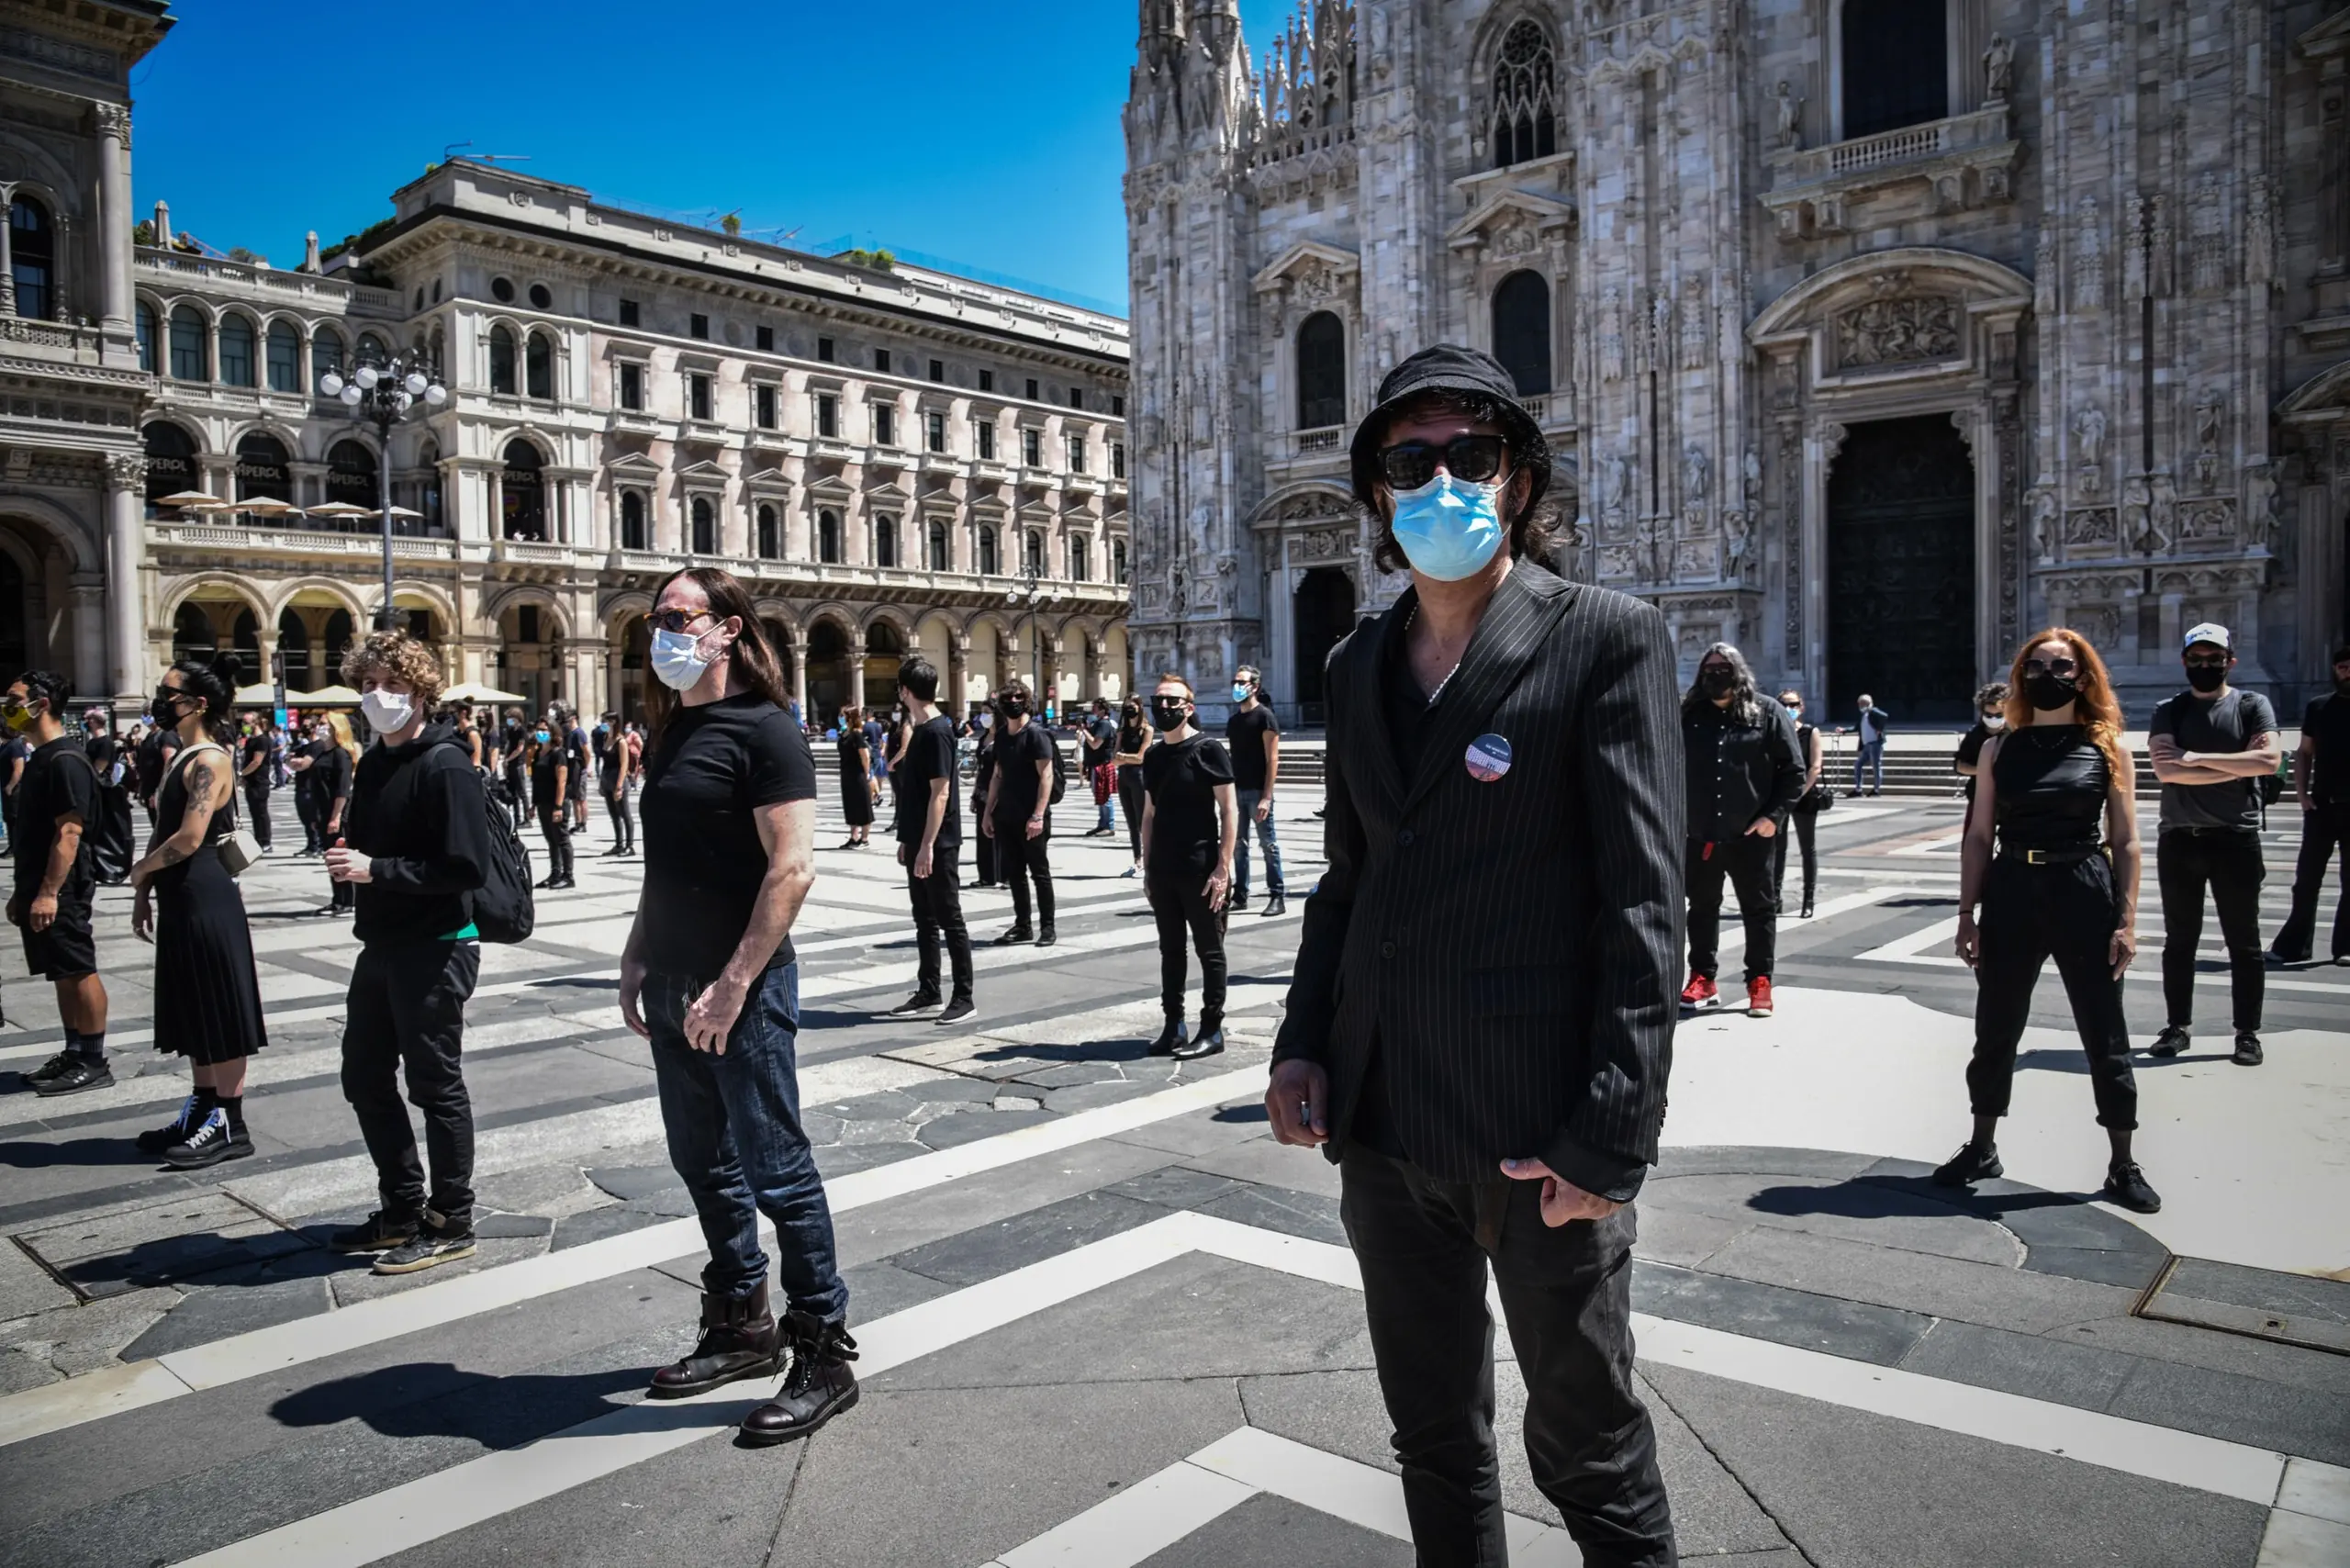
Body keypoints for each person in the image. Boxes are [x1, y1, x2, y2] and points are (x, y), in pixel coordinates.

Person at [1267, 344, 1681, 1566]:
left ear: (1519, 476)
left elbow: (1645, 905)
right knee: (1433, 1436)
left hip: (1536, 1127)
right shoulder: (1355, 665)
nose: (1442, 479)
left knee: (1588, 1444)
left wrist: (1611, 1133)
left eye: (1471, 456)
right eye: (1411, 461)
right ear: (1380, 496)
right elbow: (1351, 882)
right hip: (1387, 1123)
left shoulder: (1603, 636)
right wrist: (1302, 1043)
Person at [621, 566, 856, 1447]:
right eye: (657, 617)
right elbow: (667, 862)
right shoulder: (676, 730)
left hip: (742, 990)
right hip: (677, 977)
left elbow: (791, 870)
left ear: (726, 630)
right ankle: (740, 1324)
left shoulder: (767, 731)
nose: (663, 630)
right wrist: (639, 954)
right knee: (701, 1162)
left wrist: (733, 983)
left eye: (679, 616)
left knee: (779, 1173)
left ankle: (824, 1355)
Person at [1939, 629, 2156, 1213]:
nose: (2047, 675)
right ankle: (1982, 1145)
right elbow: (1979, 835)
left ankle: (2121, 1161)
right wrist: (1966, 913)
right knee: (1996, 1025)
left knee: (2103, 1029)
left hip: (2083, 885)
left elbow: (2128, 840)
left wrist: (2128, 921)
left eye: (2061, 666)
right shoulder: (1998, 748)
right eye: (2035, 665)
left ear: (2083, 677)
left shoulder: (2106, 745)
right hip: (2012, 887)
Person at [324, 632, 493, 1274]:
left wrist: (377, 869)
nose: (378, 696)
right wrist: (350, 860)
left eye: (392, 686)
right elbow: (372, 850)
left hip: (439, 943)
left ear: (422, 692)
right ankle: (401, 1207)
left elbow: (465, 866)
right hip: (385, 941)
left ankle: (452, 1218)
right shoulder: (374, 763)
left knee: (434, 1084)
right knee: (363, 1074)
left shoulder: (444, 764)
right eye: (368, 685)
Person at [130, 655, 270, 1169]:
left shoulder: (211, 760)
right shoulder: (183, 757)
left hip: (206, 892)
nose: (161, 701)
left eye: (170, 694)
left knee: (219, 1005)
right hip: (181, 895)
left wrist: (141, 871)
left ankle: (230, 1122)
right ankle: (203, 1105)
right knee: (194, 1005)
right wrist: (146, 889)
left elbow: (189, 838)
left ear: (198, 703)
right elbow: (166, 828)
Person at [2144, 624, 2277, 1068]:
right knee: (2179, 940)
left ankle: (2247, 1033)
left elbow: (2269, 760)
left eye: (2214, 658)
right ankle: (2177, 1026)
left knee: (2245, 942)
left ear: (2230, 660)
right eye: (2197, 658)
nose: (2205, 665)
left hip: (2235, 838)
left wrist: (2197, 759)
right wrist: (2237, 767)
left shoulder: (2252, 705)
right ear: (2184, 661)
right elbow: (2165, 771)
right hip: (2180, 838)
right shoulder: (2169, 709)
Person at [1679, 644, 1804, 1018]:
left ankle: (1759, 980)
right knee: (1701, 908)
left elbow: (1793, 772)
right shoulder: (1690, 715)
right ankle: (1702, 976)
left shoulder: (1767, 712)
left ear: (1738, 672)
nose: (1716, 675)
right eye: (1710, 669)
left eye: (1723, 668)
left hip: (1752, 834)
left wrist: (1772, 818)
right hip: (1700, 833)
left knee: (1759, 909)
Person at [6, 671, 111, 1096]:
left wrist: (49, 892)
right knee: (60, 972)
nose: (6, 706)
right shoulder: (41, 757)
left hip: (63, 886)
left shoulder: (65, 760)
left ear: (42, 703)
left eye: (13, 698)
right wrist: (23, 891)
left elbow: (69, 834)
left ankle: (93, 1058)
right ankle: (73, 1050)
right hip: (40, 883)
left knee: (77, 968)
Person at [1140, 673, 1236, 1058]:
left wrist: (1223, 867)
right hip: (1164, 869)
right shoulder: (1154, 755)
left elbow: (1229, 811)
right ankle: (1173, 1025)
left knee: (1209, 951)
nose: (1164, 707)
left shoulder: (1208, 749)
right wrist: (1147, 867)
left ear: (1189, 708)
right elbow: (1149, 814)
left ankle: (1211, 1029)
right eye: (1159, 700)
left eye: (1172, 702)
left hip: (1201, 868)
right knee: (1170, 950)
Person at [885, 656, 975, 1025]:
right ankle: (929, 990)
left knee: (949, 918)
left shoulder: (937, 731)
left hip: (939, 843)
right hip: (919, 839)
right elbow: (916, 795)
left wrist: (927, 846)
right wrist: (908, 839)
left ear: (906, 691)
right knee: (923, 918)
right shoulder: (921, 730)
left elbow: (941, 793)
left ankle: (964, 997)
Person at [2271, 643, 2350, 966]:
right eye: (2343, 667)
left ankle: (2345, 947)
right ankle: (2293, 946)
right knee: (2306, 881)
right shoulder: (2319, 707)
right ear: (2334, 670)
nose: (2348, 672)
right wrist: (2302, 794)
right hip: (2321, 806)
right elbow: (2304, 752)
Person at [980, 678, 1057, 946]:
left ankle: (1047, 926)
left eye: (1018, 697)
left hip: (1031, 816)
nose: (1013, 702)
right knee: (1014, 872)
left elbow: (1046, 775)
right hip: (1007, 815)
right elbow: (997, 776)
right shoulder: (1001, 736)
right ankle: (1022, 925)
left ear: (1027, 701)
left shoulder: (1036, 735)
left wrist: (1038, 815)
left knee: (1039, 872)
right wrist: (988, 812)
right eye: (1007, 699)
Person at [1225, 665, 1286, 915]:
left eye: (1242, 682)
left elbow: (1272, 759)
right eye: (1235, 682)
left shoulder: (1265, 717)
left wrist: (1267, 797)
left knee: (1268, 844)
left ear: (1255, 686)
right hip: (1237, 790)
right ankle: (1241, 894)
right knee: (1239, 845)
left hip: (1258, 791)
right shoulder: (1234, 720)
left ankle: (1277, 894)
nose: (1237, 687)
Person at [1773, 689, 1826, 920]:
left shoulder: (1810, 732)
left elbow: (1815, 766)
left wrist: (1798, 792)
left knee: (1807, 849)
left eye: (1794, 704)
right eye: (1784, 704)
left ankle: (1808, 899)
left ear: (1801, 707)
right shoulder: (1774, 732)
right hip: (1780, 798)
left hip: (1805, 796)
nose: (1789, 708)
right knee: (1777, 850)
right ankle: (1775, 899)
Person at [82, 707, 135, 885]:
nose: (86, 723)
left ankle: (108, 866)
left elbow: (100, 766)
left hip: (103, 790)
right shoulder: (92, 742)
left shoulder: (105, 743)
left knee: (106, 828)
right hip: (95, 788)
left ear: (95, 721)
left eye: (89, 720)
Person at [317, 712, 360, 916]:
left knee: (340, 855)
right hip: (323, 810)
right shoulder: (323, 752)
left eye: (325, 724)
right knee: (330, 856)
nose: (320, 727)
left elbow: (343, 788)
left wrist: (336, 817)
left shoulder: (341, 754)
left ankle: (347, 900)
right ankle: (337, 899)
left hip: (337, 813)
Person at [530, 709, 576, 890]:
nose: (540, 733)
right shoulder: (537, 754)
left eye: (544, 730)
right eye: (538, 729)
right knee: (551, 840)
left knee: (562, 839)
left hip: (556, 803)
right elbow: (536, 781)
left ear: (553, 732)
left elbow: (561, 783)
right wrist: (533, 804)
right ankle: (555, 873)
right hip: (542, 802)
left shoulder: (558, 754)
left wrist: (558, 806)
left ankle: (568, 875)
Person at [1953, 681, 2009, 812]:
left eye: (1998, 715)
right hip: (1979, 797)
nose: (1993, 719)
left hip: (2008, 799)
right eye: (1989, 715)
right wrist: (1984, 771)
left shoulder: (2015, 735)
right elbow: (1960, 765)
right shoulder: (1974, 735)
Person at [835, 703, 876, 849]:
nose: (840, 717)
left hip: (858, 774)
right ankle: (854, 836)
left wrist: (867, 773)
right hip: (847, 774)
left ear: (850, 717)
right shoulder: (844, 734)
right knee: (850, 805)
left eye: (843, 715)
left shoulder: (857, 734)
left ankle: (864, 839)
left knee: (862, 805)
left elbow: (865, 755)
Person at [136, 705, 181, 836]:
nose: (145, 717)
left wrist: (159, 791)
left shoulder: (166, 735)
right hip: (149, 791)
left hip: (161, 792)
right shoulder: (150, 736)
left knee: (165, 831)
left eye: (147, 713)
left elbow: (170, 764)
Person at [598, 711, 636, 856]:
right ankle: (618, 844)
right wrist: (602, 783)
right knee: (614, 814)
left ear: (613, 722)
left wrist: (619, 786)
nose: (603, 724)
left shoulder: (621, 741)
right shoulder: (606, 738)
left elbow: (624, 764)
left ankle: (630, 845)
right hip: (607, 778)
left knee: (625, 813)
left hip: (617, 779)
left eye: (605, 721)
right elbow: (604, 762)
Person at [1080, 698, 1120, 836]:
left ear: (1103, 709)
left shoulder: (1104, 724)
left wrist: (1084, 731)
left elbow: (1095, 744)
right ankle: (1102, 824)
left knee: (1105, 796)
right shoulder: (1099, 723)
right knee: (1100, 795)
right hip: (1096, 764)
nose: (1093, 709)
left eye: (1095, 707)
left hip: (1102, 764)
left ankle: (1109, 825)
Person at [968, 706, 998, 887]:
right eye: (982, 712)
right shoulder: (983, 738)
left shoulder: (1003, 738)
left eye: (988, 712)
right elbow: (980, 769)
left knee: (999, 832)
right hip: (982, 789)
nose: (984, 716)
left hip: (999, 789)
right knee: (982, 832)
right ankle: (986, 875)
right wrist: (974, 794)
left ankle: (1006, 874)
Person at [239, 714, 274, 855]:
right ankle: (259, 840)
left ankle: (266, 841)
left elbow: (256, 761)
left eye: (246, 722)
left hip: (260, 781)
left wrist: (242, 774)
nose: (243, 725)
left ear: (256, 723)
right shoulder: (250, 741)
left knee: (261, 812)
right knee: (254, 813)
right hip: (251, 782)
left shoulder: (263, 740)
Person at [1, 720, 29, 858]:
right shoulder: (5, 746)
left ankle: (18, 848)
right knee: (9, 819)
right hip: (6, 787)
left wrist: (10, 786)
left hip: (15, 789)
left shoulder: (15, 745)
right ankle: (13, 846)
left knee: (15, 818)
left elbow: (19, 768)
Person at [1852, 692, 1889, 796]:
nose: (1860, 706)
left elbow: (1884, 716)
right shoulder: (1864, 715)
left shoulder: (1873, 711)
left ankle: (1876, 789)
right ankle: (1858, 789)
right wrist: (1843, 730)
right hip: (1867, 745)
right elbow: (1856, 728)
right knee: (1858, 764)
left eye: (1861, 704)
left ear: (1867, 703)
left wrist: (1879, 729)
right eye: (1859, 704)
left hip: (1875, 744)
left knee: (1876, 766)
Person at [565, 704, 593, 837]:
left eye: (568, 718)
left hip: (579, 767)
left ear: (574, 718)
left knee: (581, 798)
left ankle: (583, 823)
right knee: (574, 797)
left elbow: (586, 751)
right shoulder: (569, 734)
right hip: (572, 768)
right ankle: (577, 822)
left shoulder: (579, 733)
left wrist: (586, 767)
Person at [500, 706, 530, 830]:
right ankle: (517, 818)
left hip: (519, 764)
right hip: (511, 763)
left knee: (522, 792)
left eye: (510, 718)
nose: (508, 720)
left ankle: (527, 818)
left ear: (517, 718)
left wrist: (508, 759)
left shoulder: (522, 731)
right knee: (514, 793)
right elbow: (509, 745)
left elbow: (520, 748)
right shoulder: (511, 731)